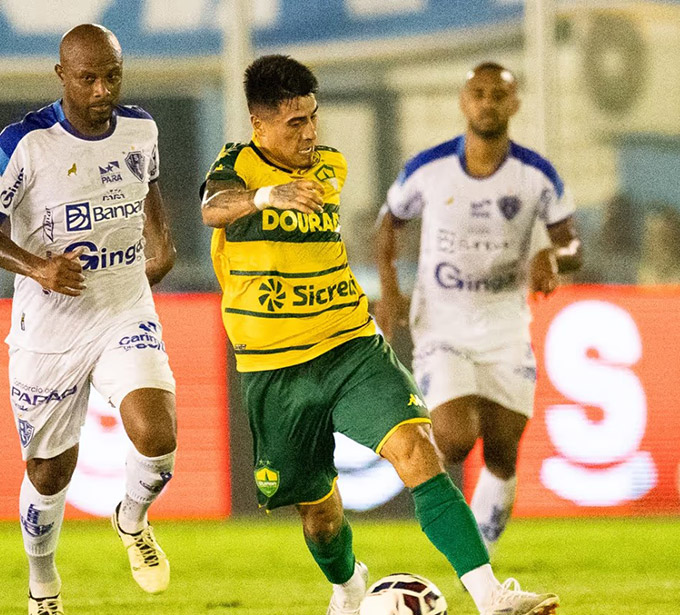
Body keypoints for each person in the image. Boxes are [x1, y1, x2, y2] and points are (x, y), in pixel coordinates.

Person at [200, 54, 559, 615]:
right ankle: (348, 586)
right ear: (258, 124)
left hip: (350, 346)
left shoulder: (329, 166)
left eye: (313, 117)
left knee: (418, 451)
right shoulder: (236, 165)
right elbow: (213, 208)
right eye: (295, 123)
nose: (310, 133)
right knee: (320, 517)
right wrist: (270, 196)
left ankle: (491, 597)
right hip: (273, 367)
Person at [0, 24, 177, 615]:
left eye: (112, 76)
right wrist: (37, 267)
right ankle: (43, 582)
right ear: (62, 75)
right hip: (50, 327)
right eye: (87, 78)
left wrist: (162, 240)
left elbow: (148, 185)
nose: (102, 89)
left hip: (122, 306)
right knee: (49, 471)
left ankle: (131, 518)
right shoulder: (24, 143)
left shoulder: (141, 127)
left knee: (157, 436)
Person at [376, 62, 582, 556]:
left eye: (498, 94)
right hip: (441, 322)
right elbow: (388, 225)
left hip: (505, 325)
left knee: (504, 452)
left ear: (514, 104)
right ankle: (465, 549)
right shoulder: (429, 167)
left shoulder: (536, 174)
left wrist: (553, 257)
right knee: (454, 439)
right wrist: (390, 290)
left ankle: (480, 559)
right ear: (464, 102)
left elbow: (573, 244)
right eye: (479, 93)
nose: (488, 102)